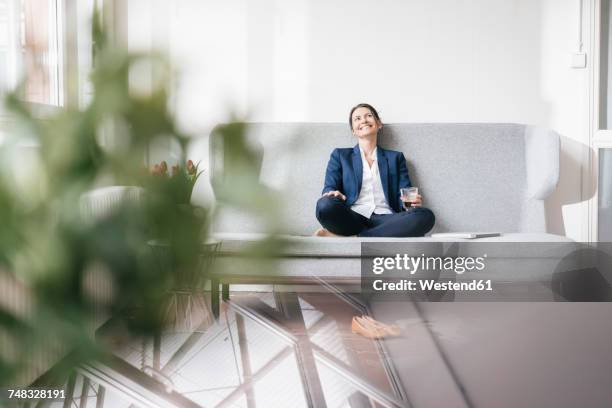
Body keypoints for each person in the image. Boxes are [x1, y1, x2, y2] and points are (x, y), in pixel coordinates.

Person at [315, 103, 435, 237]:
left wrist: (410, 205)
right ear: (353, 130)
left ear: (379, 124)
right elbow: (329, 187)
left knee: (425, 216)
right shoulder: (340, 155)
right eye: (357, 118)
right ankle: (364, 234)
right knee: (324, 205)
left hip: (386, 219)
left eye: (369, 116)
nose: (364, 120)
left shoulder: (396, 158)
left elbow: (404, 193)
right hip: (352, 217)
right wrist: (332, 194)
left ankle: (357, 237)